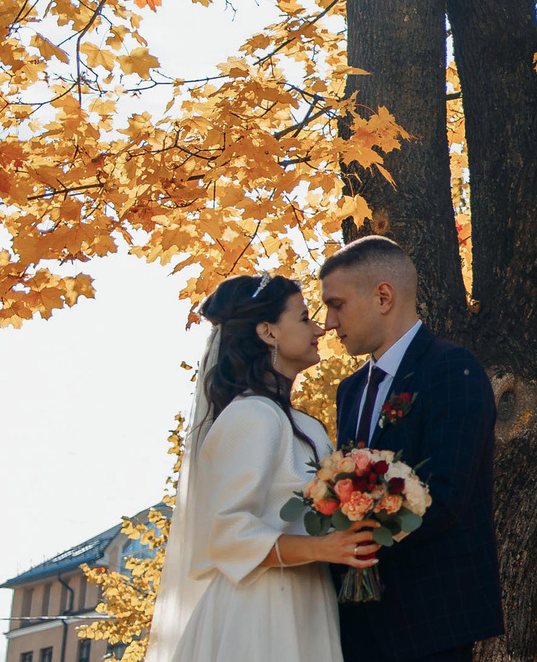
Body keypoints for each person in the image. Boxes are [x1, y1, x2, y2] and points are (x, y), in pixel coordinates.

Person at [146, 274, 379, 662]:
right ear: (268, 332)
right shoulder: (252, 416)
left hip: (308, 600)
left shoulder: (304, 425)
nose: (320, 328)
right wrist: (321, 547)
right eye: (304, 319)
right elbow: (228, 533)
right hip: (260, 610)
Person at [319, 235, 504, 662]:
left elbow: (445, 496)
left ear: (383, 296)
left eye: (337, 304)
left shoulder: (452, 369)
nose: (328, 322)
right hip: (355, 626)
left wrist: (353, 530)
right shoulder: (349, 391)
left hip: (430, 622)